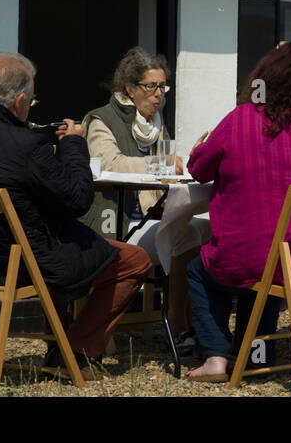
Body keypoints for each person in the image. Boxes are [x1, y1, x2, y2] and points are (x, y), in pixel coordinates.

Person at [0, 52, 152, 381]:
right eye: (31, 100)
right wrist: (73, 144)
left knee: (53, 243)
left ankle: (60, 345)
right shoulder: (25, 144)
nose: (30, 107)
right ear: (18, 101)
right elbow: (77, 200)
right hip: (27, 266)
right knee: (135, 259)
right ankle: (75, 352)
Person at [183, 42, 291, 381]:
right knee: (275, 255)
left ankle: (216, 356)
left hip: (257, 257)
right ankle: (257, 355)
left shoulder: (241, 119)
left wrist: (199, 147)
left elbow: (199, 168)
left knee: (203, 269)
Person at [83, 47, 206, 346]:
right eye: (151, 86)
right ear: (129, 88)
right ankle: (177, 325)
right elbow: (109, 165)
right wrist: (161, 164)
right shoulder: (100, 120)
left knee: (203, 229)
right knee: (186, 236)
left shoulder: (154, 124)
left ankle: (188, 321)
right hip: (112, 220)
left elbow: (162, 170)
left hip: (148, 216)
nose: (158, 94)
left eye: (162, 86)